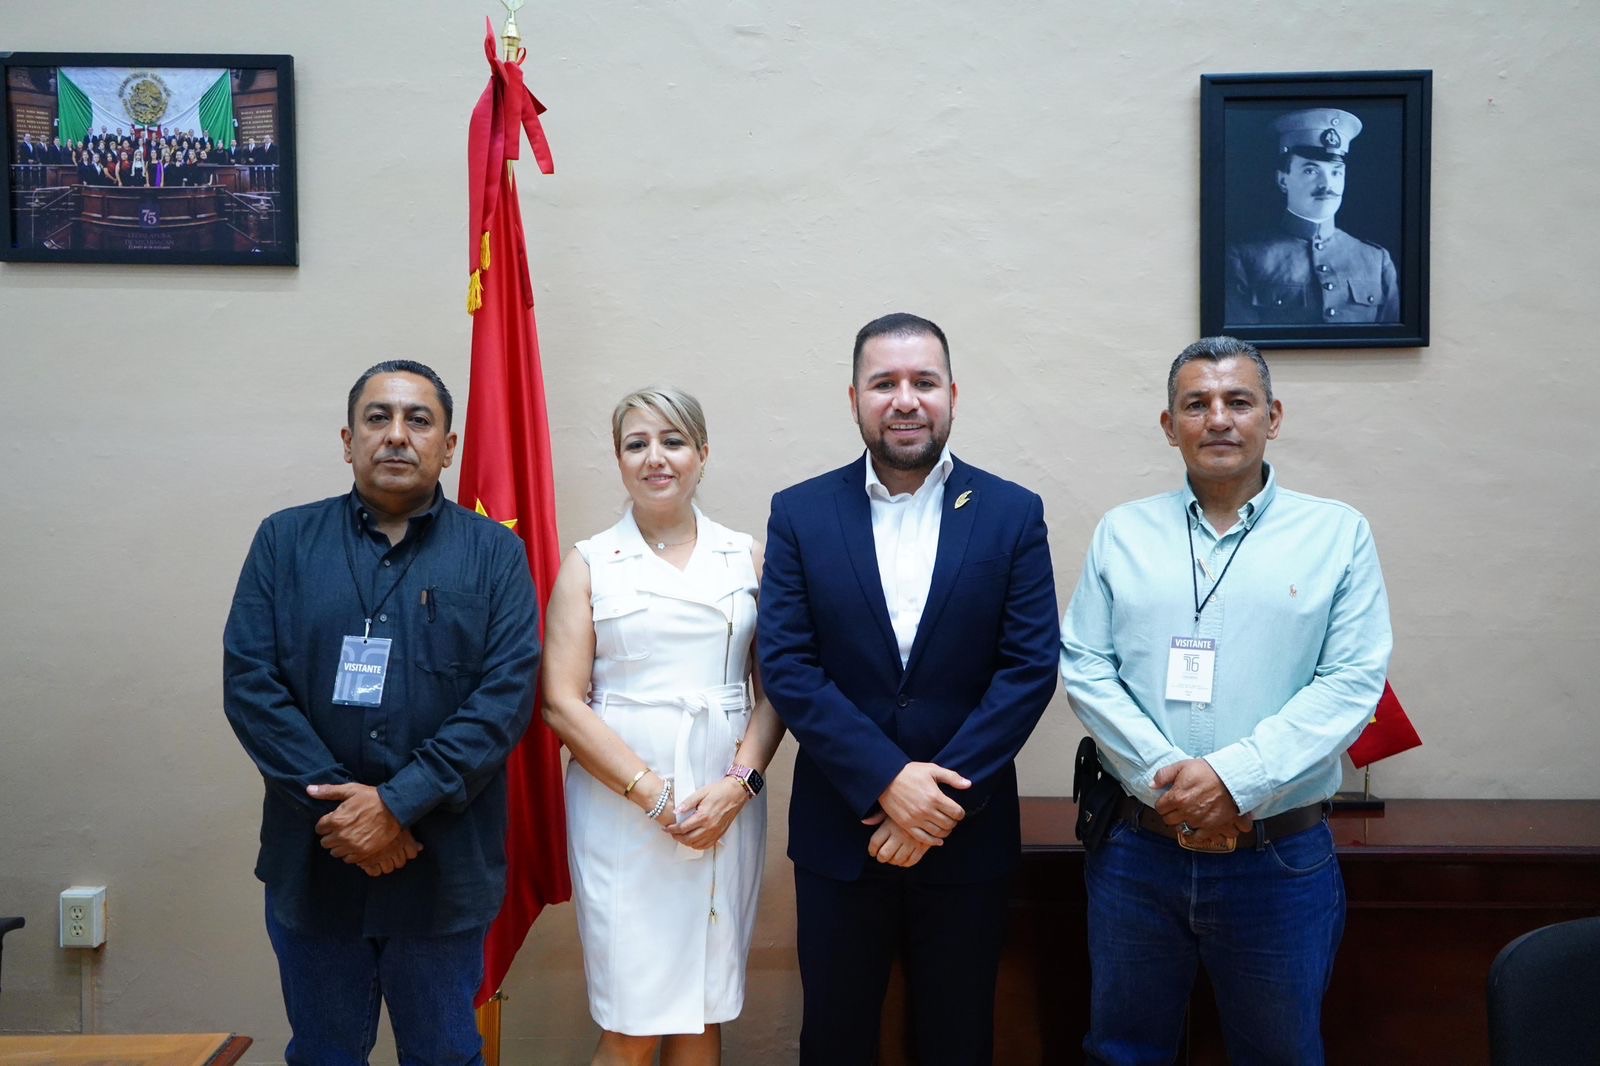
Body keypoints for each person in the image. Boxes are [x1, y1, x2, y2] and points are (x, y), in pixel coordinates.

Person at [1060, 336, 1393, 1065]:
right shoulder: (1123, 533)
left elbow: (1351, 679)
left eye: (1238, 402)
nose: (1218, 418)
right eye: (1196, 404)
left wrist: (1233, 778)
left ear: (1273, 417)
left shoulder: (1336, 534)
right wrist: (1167, 778)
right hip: (1137, 854)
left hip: (1277, 860)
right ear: (1168, 424)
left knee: (1280, 1055)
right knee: (1121, 1052)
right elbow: (1085, 664)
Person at [758, 313, 1059, 1065]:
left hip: (967, 836)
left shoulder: (1012, 513)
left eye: (923, 382)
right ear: (853, 398)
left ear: (952, 394)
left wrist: (935, 804)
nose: (904, 400)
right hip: (841, 832)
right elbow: (788, 664)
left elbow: (1028, 667)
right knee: (835, 1041)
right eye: (883, 383)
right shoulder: (799, 512)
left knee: (959, 1041)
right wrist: (888, 781)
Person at [223, 359, 542, 1065]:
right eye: (378, 418)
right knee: (324, 1053)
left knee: (445, 1054)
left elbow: (504, 699)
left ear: (448, 447)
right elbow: (251, 685)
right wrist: (348, 814)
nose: (397, 434)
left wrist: (396, 806)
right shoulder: (284, 541)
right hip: (317, 860)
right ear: (348, 440)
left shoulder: (495, 554)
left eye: (418, 420)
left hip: (441, 865)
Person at [542, 387, 784, 1066]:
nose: (656, 457)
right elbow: (561, 702)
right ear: (619, 459)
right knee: (634, 1020)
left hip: (724, 803)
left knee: (702, 1008)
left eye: (673, 441)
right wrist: (654, 795)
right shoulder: (590, 561)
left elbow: (775, 693)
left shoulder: (746, 556)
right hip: (623, 809)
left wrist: (738, 786)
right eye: (637, 444)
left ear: (702, 453)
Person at [1225, 108, 1399, 325]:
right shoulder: (1244, 258)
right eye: (1311, 171)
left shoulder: (1376, 260)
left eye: (1336, 172)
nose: (1327, 184)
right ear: (1283, 180)